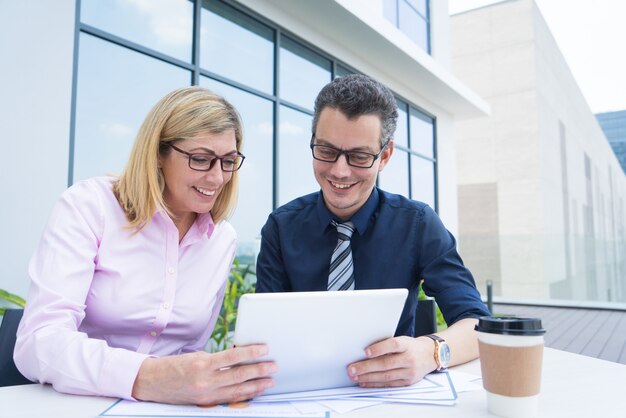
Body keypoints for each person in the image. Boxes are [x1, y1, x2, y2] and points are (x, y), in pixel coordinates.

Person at [14, 86, 276, 405]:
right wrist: (147, 377)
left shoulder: (222, 239)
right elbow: (37, 343)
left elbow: (191, 350)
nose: (218, 178)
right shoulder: (89, 207)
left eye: (228, 161)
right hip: (76, 404)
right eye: (201, 159)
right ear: (158, 154)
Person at [255, 74, 490, 388]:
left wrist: (429, 352)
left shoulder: (417, 224)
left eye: (360, 156)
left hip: (391, 396)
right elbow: (263, 335)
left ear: (386, 156)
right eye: (326, 151)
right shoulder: (281, 227)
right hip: (300, 395)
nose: (340, 171)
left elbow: (478, 324)